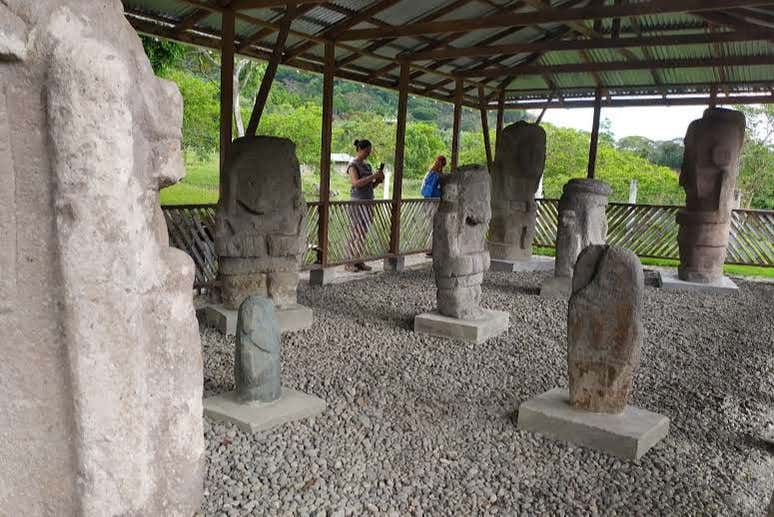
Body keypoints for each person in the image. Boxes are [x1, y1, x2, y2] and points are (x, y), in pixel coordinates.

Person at [346, 139, 385, 272]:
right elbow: (356, 183)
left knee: (363, 233)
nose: (368, 153)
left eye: (369, 151)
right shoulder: (352, 165)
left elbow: (370, 186)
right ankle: (349, 262)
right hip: (357, 202)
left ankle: (359, 260)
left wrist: (378, 180)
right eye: (366, 151)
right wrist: (373, 176)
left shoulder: (367, 166)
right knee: (355, 232)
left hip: (368, 202)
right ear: (359, 150)